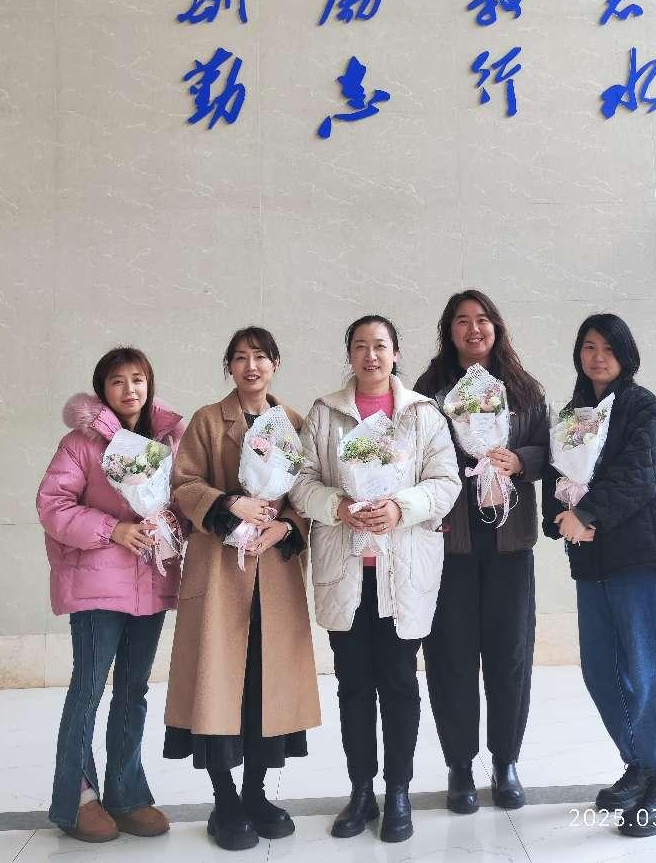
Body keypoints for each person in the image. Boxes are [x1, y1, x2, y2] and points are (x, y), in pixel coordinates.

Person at [291, 315, 460, 844]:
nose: (371, 355)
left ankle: (399, 790)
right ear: (350, 354)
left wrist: (401, 507)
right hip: (346, 572)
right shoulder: (325, 413)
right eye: (361, 346)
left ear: (395, 353)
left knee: (401, 683)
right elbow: (300, 482)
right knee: (354, 686)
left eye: (380, 346)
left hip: (401, 574)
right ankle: (361, 791)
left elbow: (446, 481)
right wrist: (337, 506)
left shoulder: (421, 414)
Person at [163, 327, 320, 852]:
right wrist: (230, 504)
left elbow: (308, 493)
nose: (251, 366)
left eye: (260, 357)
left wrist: (287, 527)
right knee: (218, 683)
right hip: (219, 573)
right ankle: (225, 800)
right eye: (240, 357)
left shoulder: (295, 423)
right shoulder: (208, 421)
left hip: (273, 574)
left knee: (263, 687)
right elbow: (184, 484)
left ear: (275, 364)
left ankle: (255, 793)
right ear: (228, 366)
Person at [541, 313, 656, 837]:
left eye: (608, 347)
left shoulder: (641, 407)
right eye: (588, 346)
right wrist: (557, 517)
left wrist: (588, 514)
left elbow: (641, 473)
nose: (598, 357)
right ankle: (639, 762)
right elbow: (558, 472)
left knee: (648, 668)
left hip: (638, 554)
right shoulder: (574, 413)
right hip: (592, 560)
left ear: (626, 354)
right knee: (601, 670)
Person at [36, 347, 185, 843]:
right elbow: (53, 504)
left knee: (133, 692)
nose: (130, 389)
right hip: (96, 584)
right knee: (88, 690)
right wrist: (113, 530)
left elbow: (183, 502)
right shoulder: (81, 443)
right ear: (103, 390)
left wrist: (172, 523)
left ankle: (126, 794)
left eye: (138, 379)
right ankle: (77, 799)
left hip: (151, 582)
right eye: (118, 381)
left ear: (149, 383)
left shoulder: (169, 439)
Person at [415, 290, 548, 814]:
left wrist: (520, 460)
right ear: (448, 331)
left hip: (510, 544)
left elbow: (551, 449)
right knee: (450, 658)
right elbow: (409, 457)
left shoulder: (524, 389)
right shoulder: (428, 391)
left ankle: (506, 760)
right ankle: (460, 765)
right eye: (462, 321)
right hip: (450, 543)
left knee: (510, 656)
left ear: (497, 327)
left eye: (483, 319)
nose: (474, 329)